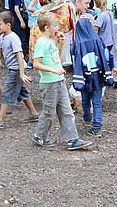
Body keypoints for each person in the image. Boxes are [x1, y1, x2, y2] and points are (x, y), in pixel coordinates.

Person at [31, 13, 92, 151]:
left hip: (59, 81)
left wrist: (63, 44)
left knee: (67, 111)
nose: (57, 27)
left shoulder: (52, 41)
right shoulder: (41, 43)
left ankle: (72, 140)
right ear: (46, 28)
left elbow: (61, 59)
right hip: (49, 83)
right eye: (55, 25)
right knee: (48, 111)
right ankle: (39, 136)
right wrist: (53, 70)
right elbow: (36, 64)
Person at [0, 11, 39, 129]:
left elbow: (20, 56)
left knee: (7, 93)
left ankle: (0, 120)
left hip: (16, 70)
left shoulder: (13, 38)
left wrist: (21, 73)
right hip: (14, 69)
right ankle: (34, 114)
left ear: (8, 25)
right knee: (22, 92)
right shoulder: (2, 38)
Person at [70, 0, 114, 137]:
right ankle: (97, 127)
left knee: (85, 99)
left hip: (84, 76)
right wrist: (111, 67)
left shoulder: (78, 44)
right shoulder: (98, 41)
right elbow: (109, 56)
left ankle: (87, 118)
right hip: (98, 76)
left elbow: (74, 58)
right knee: (97, 101)